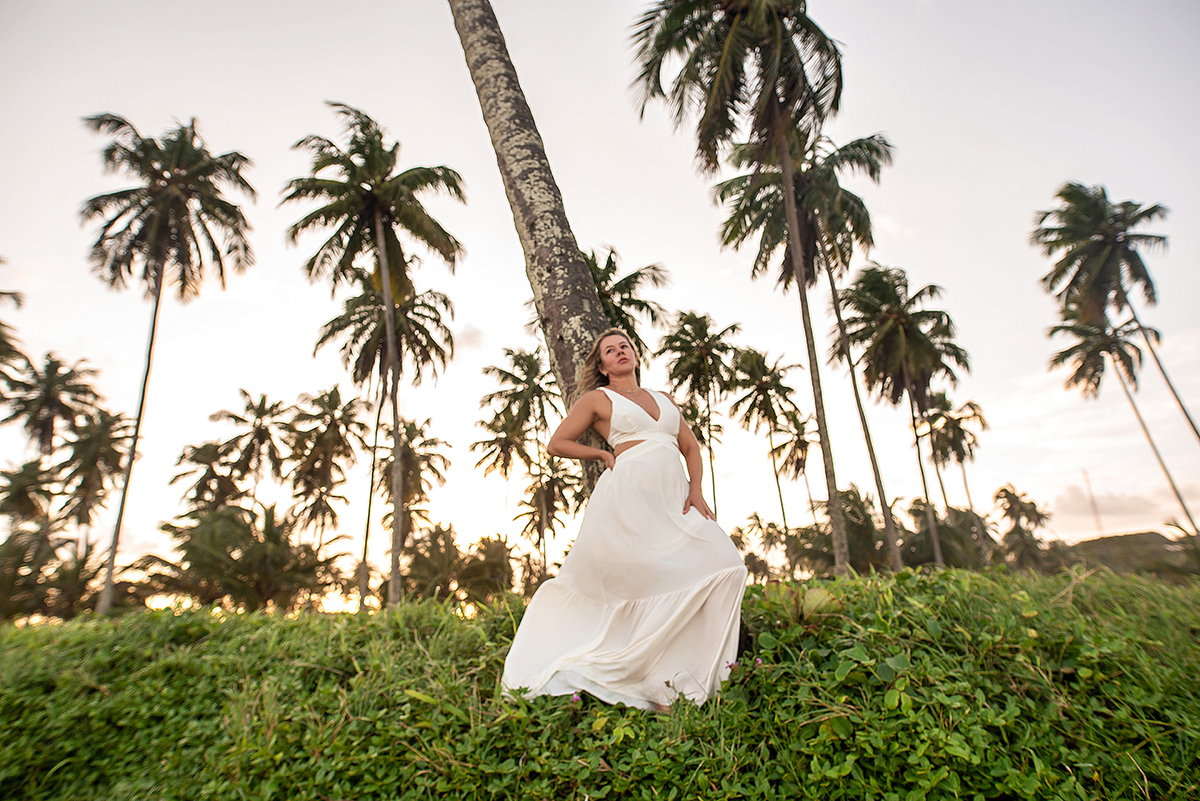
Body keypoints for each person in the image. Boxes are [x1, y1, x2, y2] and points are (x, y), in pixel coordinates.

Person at [501, 328, 747, 711]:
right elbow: (556, 443)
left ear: (635, 354)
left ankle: (684, 675)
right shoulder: (597, 399)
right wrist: (601, 456)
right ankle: (646, 676)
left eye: (625, 347)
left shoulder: (664, 399)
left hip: (676, 498)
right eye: (611, 351)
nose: (620, 353)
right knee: (645, 580)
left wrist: (695, 490)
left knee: (727, 566)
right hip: (629, 496)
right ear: (602, 365)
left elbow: (690, 447)